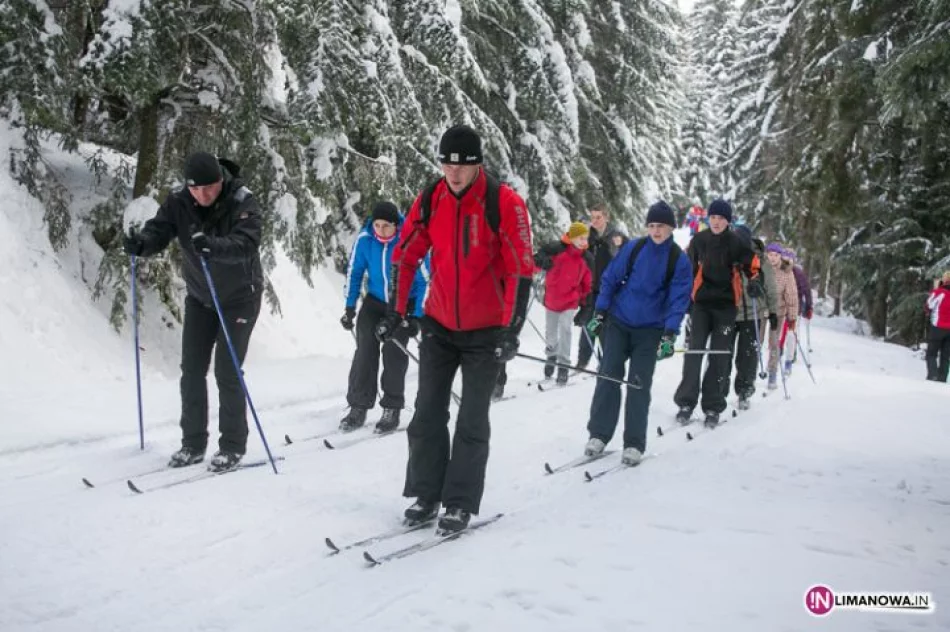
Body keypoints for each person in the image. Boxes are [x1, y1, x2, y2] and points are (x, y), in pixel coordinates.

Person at [379, 125, 534, 532]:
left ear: (478, 164)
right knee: (427, 413)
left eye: (463, 165)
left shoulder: (504, 203)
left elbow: (521, 268)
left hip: (486, 332)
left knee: (472, 418)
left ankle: (460, 501)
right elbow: (405, 254)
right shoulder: (432, 197)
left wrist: (510, 330)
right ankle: (427, 494)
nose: (454, 172)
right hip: (439, 323)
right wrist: (398, 311)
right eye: (447, 163)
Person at [122, 152, 263, 472]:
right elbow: (160, 230)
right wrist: (141, 245)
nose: (203, 195)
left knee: (227, 371)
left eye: (209, 188)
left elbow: (246, 243)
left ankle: (232, 446)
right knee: (192, 370)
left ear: (220, 181)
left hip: (240, 297)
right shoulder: (179, 201)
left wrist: (213, 246)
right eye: (196, 189)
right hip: (201, 297)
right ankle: (193, 443)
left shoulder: (242, 200)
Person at [584, 201, 692, 463]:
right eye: (652, 225)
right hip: (620, 322)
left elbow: (678, 300)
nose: (656, 231)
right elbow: (610, 278)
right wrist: (599, 313)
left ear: (670, 228)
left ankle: (634, 442)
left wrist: (669, 334)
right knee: (608, 376)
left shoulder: (678, 259)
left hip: (650, 330)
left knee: (638, 384)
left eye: (662, 226)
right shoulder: (634, 248)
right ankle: (598, 434)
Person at [339, 202, 429, 433]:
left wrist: (417, 316)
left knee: (393, 351)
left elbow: (424, 282)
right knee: (365, 350)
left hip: (403, 304)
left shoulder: (409, 240)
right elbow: (355, 271)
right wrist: (350, 307)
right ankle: (358, 405)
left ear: (396, 225)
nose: (381, 230)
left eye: (386, 226)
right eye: (377, 225)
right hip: (376, 300)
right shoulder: (366, 239)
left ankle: (392, 407)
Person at [672, 199, 757, 427]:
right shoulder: (699, 240)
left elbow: (753, 263)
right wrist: (686, 301)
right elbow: (687, 271)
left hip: (726, 308)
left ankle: (713, 405)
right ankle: (686, 401)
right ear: (707, 219)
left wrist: (754, 280)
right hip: (701, 306)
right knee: (695, 351)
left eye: (721, 218)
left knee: (720, 355)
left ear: (728, 221)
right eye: (713, 217)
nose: (716, 222)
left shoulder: (736, 242)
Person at [534, 222, 592, 384]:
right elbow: (537, 259)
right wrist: (542, 261)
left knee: (565, 328)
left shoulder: (586, 258)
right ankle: (551, 355)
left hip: (570, 300)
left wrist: (585, 306)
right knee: (551, 334)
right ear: (572, 237)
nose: (583, 241)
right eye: (580, 238)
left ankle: (563, 366)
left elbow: (588, 284)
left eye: (585, 238)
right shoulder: (557, 249)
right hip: (552, 298)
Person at [731, 226, 778, 409]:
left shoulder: (759, 258)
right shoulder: (728, 256)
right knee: (724, 354)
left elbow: (771, 287)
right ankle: (718, 390)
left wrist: (773, 312)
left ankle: (744, 390)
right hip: (729, 316)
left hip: (752, 315)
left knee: (748, 355)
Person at [576, 203, 623, 370]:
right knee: (588, 324)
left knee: (605, 326)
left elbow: (628, 257)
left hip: (609, 290)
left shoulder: (616, 236)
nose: (595, 221)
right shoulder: (588, 236)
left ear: (606, 217)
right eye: (593, 217)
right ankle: (582, 361)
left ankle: (605, 361)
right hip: (590, 288)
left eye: (598, 217)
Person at [764, 242, 799, 389]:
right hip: (760, 310)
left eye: (776, 255)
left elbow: (791, 295)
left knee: (774, 343)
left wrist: (792, 316)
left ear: (780, 256)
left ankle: (772, 373)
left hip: (777, 312)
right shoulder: (761, 267)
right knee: (756, 341)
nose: (772, 258)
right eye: (770, 255)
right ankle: (751, 372)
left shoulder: (786, 272)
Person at [925, 272, 950, 382]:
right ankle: (942, 378)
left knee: (931, 353)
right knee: (945, 356)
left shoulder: (940, 292)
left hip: (938, 327)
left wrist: (936, 288)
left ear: (944, 280)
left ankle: (933, 375)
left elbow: (929, 305)